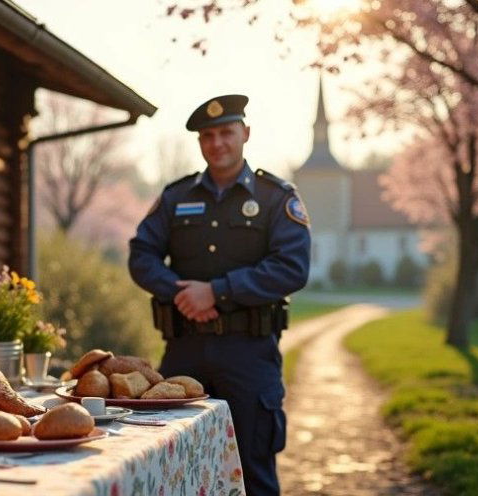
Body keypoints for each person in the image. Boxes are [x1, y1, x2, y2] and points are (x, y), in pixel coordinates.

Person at [128, 94, 310, 495]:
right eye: (207, 135)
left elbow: (292, 267)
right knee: (176, 469)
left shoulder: (275, 197)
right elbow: (141, 255)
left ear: (245, 133)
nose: (217, 143)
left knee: (252, 472)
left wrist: (218, 292)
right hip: (183, 352)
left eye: (226, 132)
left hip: (250, 355)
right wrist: (184, 295)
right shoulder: (177, 197)